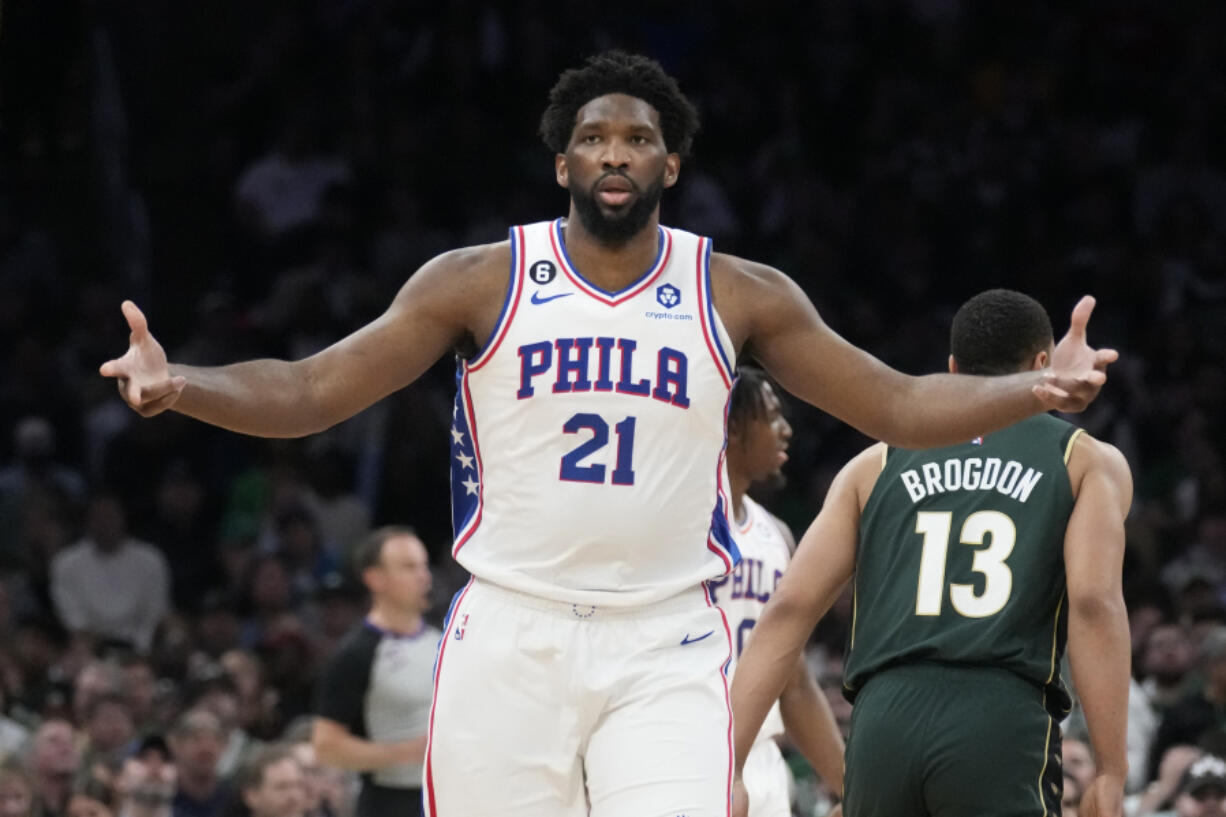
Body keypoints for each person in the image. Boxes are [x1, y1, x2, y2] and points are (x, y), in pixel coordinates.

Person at [101, 51, 1116, 817]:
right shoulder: (479, 278)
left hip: (667, 637)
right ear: (562, 163)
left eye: (636, 139)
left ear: (669, 160)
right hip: (511, 624)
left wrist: (1034, 395)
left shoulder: (735, 291)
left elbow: (894, 403)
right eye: (595, 138)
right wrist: (181, 382)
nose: (615, 154)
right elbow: (316, 387)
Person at [729, 289, 1132, 817]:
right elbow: (1093, 604)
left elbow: (788, 609)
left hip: (882, 722)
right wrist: (1110, 771)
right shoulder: (1085, 459)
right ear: (1041, 365)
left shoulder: (872, 464)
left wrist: (728, 763)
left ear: (951, 369)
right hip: (999, 716)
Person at [706, 367, 843, 816]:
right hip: (685, 749)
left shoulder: (776, 534)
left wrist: (854, 788)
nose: (786, 430)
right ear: (731, 426)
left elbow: (795, 681)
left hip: (761, 760)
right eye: (770, 415)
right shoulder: (683, 521)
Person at [311, 527, 436, 817]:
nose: (424, 576)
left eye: (424, 565)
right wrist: (406, 753)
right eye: (408, 567)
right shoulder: (355, 654)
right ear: (374, 578)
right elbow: (326, 746)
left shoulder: (443, 640)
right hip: (389, 803)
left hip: (445, 796)